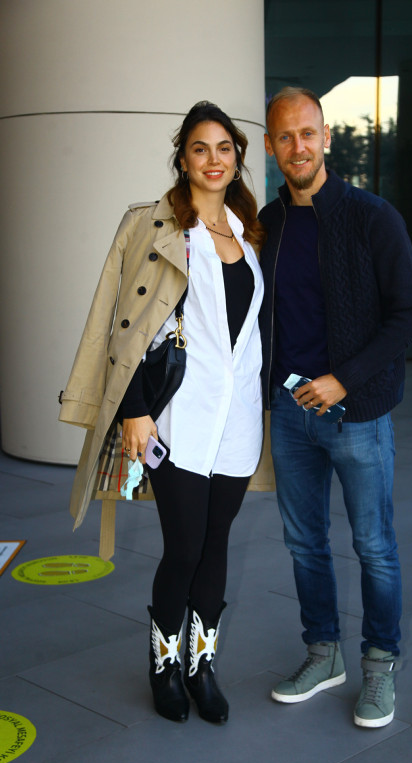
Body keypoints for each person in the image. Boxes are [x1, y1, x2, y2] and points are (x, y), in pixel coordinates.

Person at [59, 101, 265, 725]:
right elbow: (120, 323)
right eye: (200, 148)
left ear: (237, 159)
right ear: (182, 158)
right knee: (184, 547)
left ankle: (202, 667)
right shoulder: (151, 225)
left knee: (216, 542)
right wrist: (133, 409)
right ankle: (163, 666)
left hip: (238, 416)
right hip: (176, 415)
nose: (213, 160)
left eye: (224, 148)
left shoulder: (250, 230)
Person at [259, 87, 412, 728]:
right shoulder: (268, 225)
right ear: (271, 146)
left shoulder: (372, 216)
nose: (297, 146)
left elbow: (411, 312)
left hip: (357, 415)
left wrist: (344, 380)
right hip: (290, 414)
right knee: (304, 544)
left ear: (326, 137)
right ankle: (322, 654)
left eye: (307, 133)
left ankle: (380, 666)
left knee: (374, 546)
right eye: (284, 136)